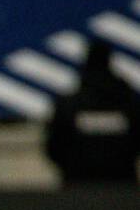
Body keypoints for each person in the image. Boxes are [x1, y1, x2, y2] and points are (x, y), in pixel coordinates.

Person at [45, 40, 140, 185]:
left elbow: (54, 146)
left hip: (77, 187)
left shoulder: (69, 105)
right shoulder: (129, 104)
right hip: (121, 187)